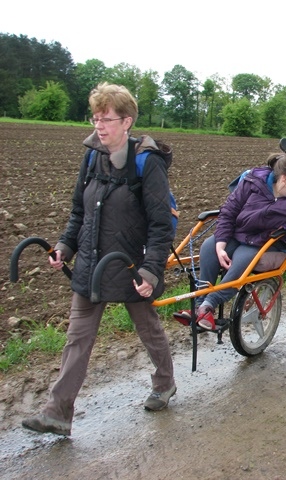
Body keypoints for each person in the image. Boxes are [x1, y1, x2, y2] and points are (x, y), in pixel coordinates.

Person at [21, 83, 177, 436]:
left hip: (129, 265)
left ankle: (165, 383)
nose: (99, 126)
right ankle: (57, 413)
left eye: (106, 119)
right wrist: (65, 246)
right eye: (95, 118)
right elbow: (80, 210)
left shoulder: (146, 164)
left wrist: (151, 269)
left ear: (127, 121)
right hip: (92, 266)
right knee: (77, 338)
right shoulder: (92, 156)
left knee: (148, 328)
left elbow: (159, 224)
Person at [194, 151, 286, 330]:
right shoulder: (253, 182)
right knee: (209, 246)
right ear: (285, 178)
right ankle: (199, 305)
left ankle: (209, 304)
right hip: (240, 233)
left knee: (244, 260)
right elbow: (229, 211)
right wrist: (221, 244)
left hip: (266, 242)